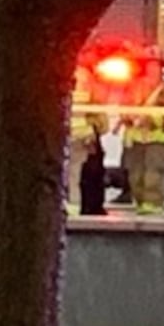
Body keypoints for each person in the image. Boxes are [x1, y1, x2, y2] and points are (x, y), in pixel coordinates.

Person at [120, 46, 164, 216]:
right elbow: (124, 109)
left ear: (161, 68)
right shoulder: (132, 87)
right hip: (136, 140)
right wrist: (130, 118)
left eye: (155, 65)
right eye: (148, 65)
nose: (152, 69)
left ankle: (154, 208)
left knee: (154, 176)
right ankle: (141, 204)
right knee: (135, 176)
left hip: (158, 141)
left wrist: (149, 119)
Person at [68, 61, 109, 216]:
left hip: (67, 136)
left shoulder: (60, 73)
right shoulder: (87, 77)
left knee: (69, 174)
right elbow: (99, 113)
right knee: (76, 174)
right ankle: (75, 207)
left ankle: (72, 207)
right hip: (83, 135)